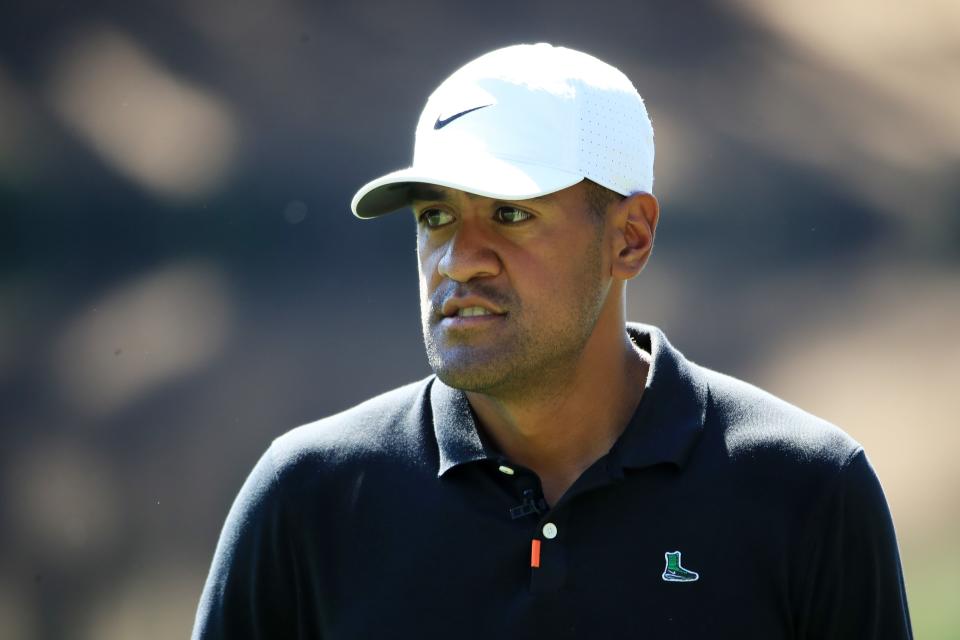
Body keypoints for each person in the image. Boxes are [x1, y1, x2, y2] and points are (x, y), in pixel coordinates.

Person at [193, 43, 912, 639]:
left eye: (509, 213)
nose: (457, 258)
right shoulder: (309, 496)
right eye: (435, 216)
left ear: (629, 237)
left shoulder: (808, 490)